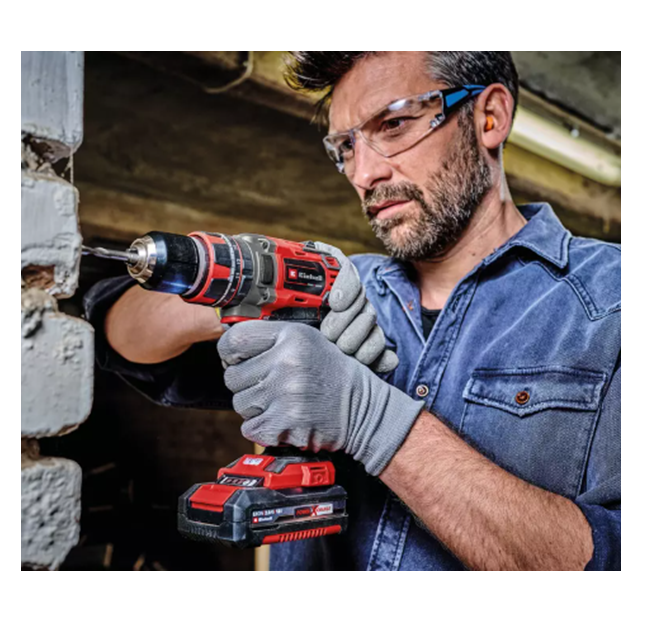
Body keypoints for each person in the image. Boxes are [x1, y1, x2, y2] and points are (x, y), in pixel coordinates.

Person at [85, 51, 620, 571]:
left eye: (394, 124)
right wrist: (247, 292)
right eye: (345, 145)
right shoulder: (333, 288)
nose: (364, 173)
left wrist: (373, 421)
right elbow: (119, 335)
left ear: (489, 117)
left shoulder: (615, 300)